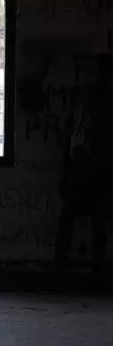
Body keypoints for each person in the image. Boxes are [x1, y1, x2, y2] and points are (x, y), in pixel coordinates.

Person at [55, 53, 113, 280]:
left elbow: (71, 138)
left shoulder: (88, 99)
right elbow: (72, 137)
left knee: (82, 222)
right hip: (91, 171)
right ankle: (91, 270)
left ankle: (64, 269)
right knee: (92, 223)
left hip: (87, 171)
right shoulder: (93, 100)